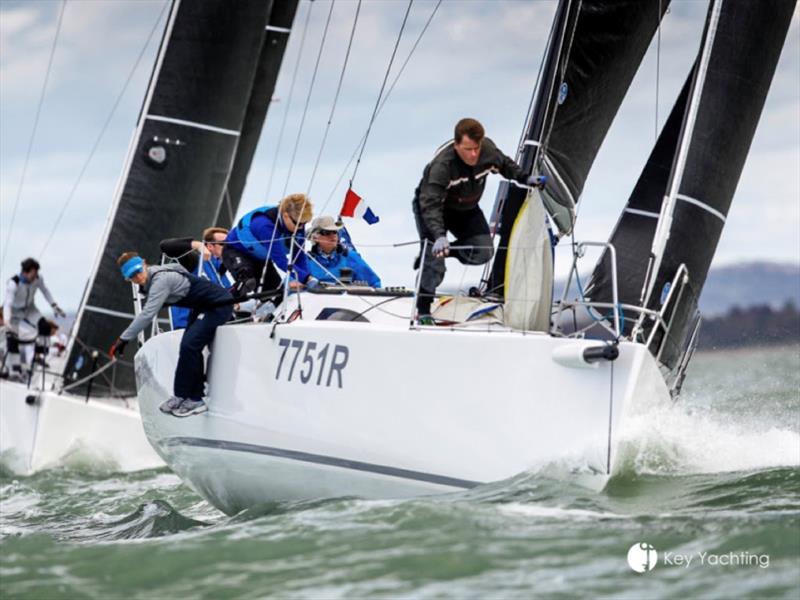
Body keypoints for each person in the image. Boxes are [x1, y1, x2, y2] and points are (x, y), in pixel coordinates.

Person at [413, 118, 538, 323]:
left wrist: (525, 178)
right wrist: (438, 236)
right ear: (456, 146)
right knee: (435, 262)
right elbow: (430, 205)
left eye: (476, 148)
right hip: (434, 209)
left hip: (466, 209)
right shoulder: (442, 166)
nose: (473, 154)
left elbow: (506, 165)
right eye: (468, 149)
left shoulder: (487, 151)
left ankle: (446, 252)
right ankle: (423, 310)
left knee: (484, 251)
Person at [110, 252, 233, 417]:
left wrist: (123, 339)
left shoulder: (161, 280)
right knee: (187, 346)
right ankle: (186, 396)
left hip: (218, 304)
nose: (137, 277)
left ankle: (192, 398)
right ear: (128, 279)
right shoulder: (154, 277)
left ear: (144, 264)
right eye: (132, 276)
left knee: (190, 344)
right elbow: (179, 269)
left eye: (138, 271)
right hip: (202, 307)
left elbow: (147, 314)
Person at [222, 193, 315, 297]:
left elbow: (298, 256)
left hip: (261, 259)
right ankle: (220, 298)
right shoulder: (264, 225)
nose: (301, 227)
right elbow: (280, 260)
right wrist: (306, 279)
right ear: (285, 216)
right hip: (236, 252)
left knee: (277, 296)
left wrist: (306, 279)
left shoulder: (298, 225)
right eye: (298, 223)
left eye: (304, 223)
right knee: (247, 282)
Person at [2, 258, 66, 382]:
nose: (35, 275)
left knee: (45, 327)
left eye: (36, 273)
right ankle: (14, 371)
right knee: (12, 338)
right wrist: (6, 320)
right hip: (15, 312)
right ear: (25, 272)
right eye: (33, 273)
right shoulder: (13, 283)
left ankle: (38, 357)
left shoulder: (38, 279)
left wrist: (54, 306)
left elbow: (45, 291)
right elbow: (8, 304)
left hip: (30, 309)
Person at [160, 227, 233, 328]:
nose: (228, 248)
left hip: (217, 327)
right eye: (223, 244)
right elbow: (165, 246)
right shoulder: (194, 262)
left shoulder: (223, 275)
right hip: (187, 328)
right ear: (210, 246)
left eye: (230, 244)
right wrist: (198, 245)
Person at [306, 216, 381, 287]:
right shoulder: (306, 261)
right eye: (327, 232)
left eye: (335, 231)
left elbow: (374, 283)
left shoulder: (350, 257)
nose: (333, 236)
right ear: (315, 237)